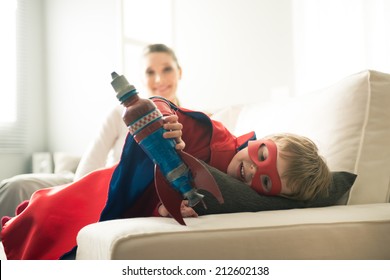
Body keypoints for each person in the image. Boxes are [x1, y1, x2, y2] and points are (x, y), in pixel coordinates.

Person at [1, 95, 331, 260]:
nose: (254, 169)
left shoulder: (236, 201)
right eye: (263, 155)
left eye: (267, 181)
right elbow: (157, 106)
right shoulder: (214, 135)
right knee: (43, 218)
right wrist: (166, 119)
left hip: (135, 209)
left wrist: (169, 209)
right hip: (107, 190)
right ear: (261, 141)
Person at [0, 43, 183, 220]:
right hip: (93, 184)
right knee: (15, 187)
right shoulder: (121, 114)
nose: (159, 79)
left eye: (167, 69)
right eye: (150, 72)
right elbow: (86, 172)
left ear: (179, 72)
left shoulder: (191, 123)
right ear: (142, 79)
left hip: (129, 194)